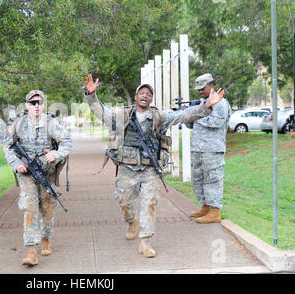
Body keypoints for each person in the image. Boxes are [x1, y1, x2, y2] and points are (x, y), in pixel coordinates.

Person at [84, 73, 225, 258]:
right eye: (141, 93)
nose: (145, 96)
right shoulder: (123, 115)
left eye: (148, 94)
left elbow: (184, 114)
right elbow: (101, 112)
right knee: (125, 202)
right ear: (136, 97)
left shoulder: (160, 116)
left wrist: (206, 105)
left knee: (149, 204)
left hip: (149, 169)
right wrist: (92, 96)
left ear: (151, 99)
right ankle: (131, 221)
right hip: (127, 168)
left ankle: (145, 241)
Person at [3, 90, 72, 266]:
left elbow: (67, 142)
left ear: (43, 105)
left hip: (47, 175)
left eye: (39, 103)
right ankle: (31, 250)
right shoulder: (18, 124)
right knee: (30, 209)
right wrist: (16, 164)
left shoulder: (51, 123)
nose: (36, 106)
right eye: (32, 103)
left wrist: (56, 154)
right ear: (27, 105)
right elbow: (8, 147)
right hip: (27, 175)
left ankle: (46, 239)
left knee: (47, 211)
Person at [185, 74, 231, 223]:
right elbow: (188, 123)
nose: (200, 91)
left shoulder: (220, 103)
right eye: (198, 89)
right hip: (198, 149)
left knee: (213, 179)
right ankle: (206, 207)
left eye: (202, 88)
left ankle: (215, 211)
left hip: (212, 149)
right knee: (199, 179)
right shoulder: (201, 104)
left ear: (211, 85)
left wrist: (196, 116)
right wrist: (189, 115)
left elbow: (216, 122)